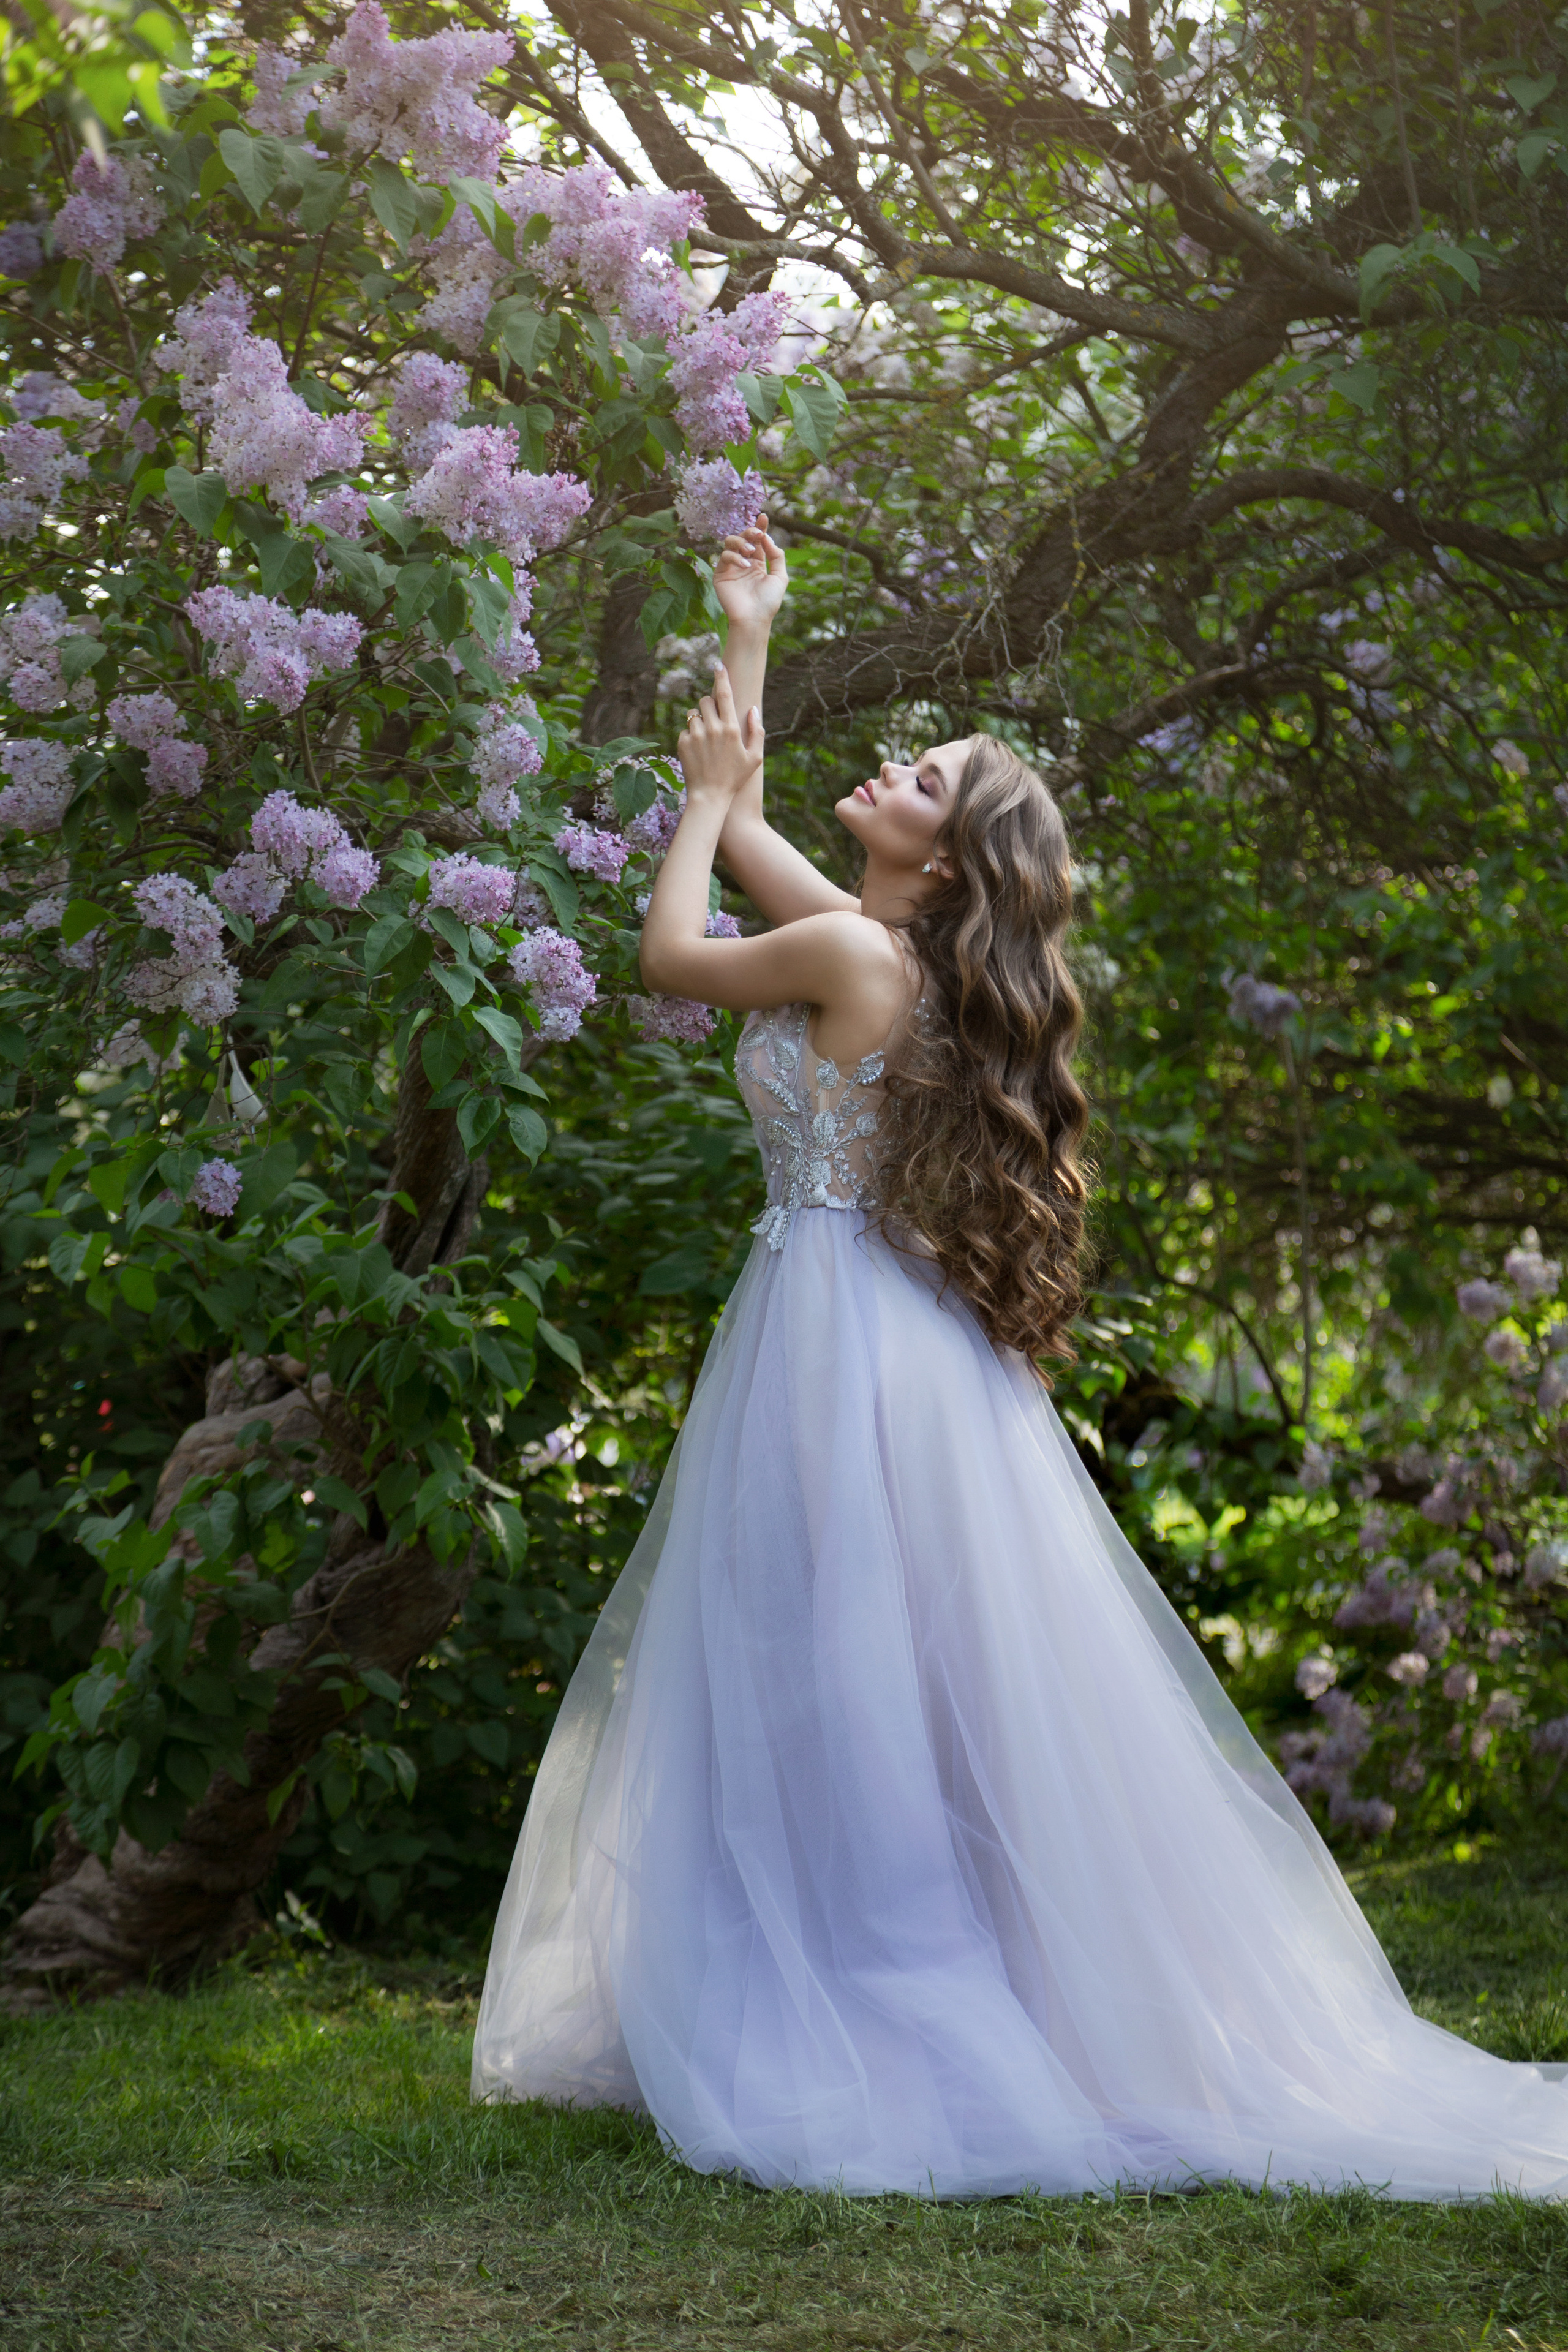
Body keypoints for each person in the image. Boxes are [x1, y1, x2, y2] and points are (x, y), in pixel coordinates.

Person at [472, 523, 1568, 2201]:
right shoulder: (873, 945)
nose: (892, 767)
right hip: (868, 1346)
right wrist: (748, 641)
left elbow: (675, 954)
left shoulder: (854, 955)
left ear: (950, 856)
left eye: (921, 771)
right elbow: (767, 832)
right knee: (856, 1673)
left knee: (832, 1664)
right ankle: (853, 1972)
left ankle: (873, 1997)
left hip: (839, 1346)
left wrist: (692, 808)